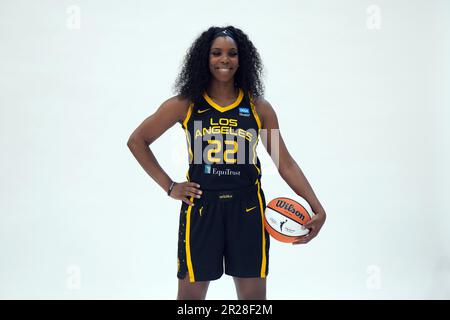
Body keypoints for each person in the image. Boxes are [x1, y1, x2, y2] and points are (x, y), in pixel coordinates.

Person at [127, 26, 326, 300]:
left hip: (247, 208)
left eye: (232, 54)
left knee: (253, 301)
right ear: (204, 58)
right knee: (190, 301)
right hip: (201, 207)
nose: (225, 59)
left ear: (242, 59)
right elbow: (137, 141)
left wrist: (317, 207)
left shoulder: (259, 108)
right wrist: (170, 186)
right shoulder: (185, 105)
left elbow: (285, 164)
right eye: (216, 53)